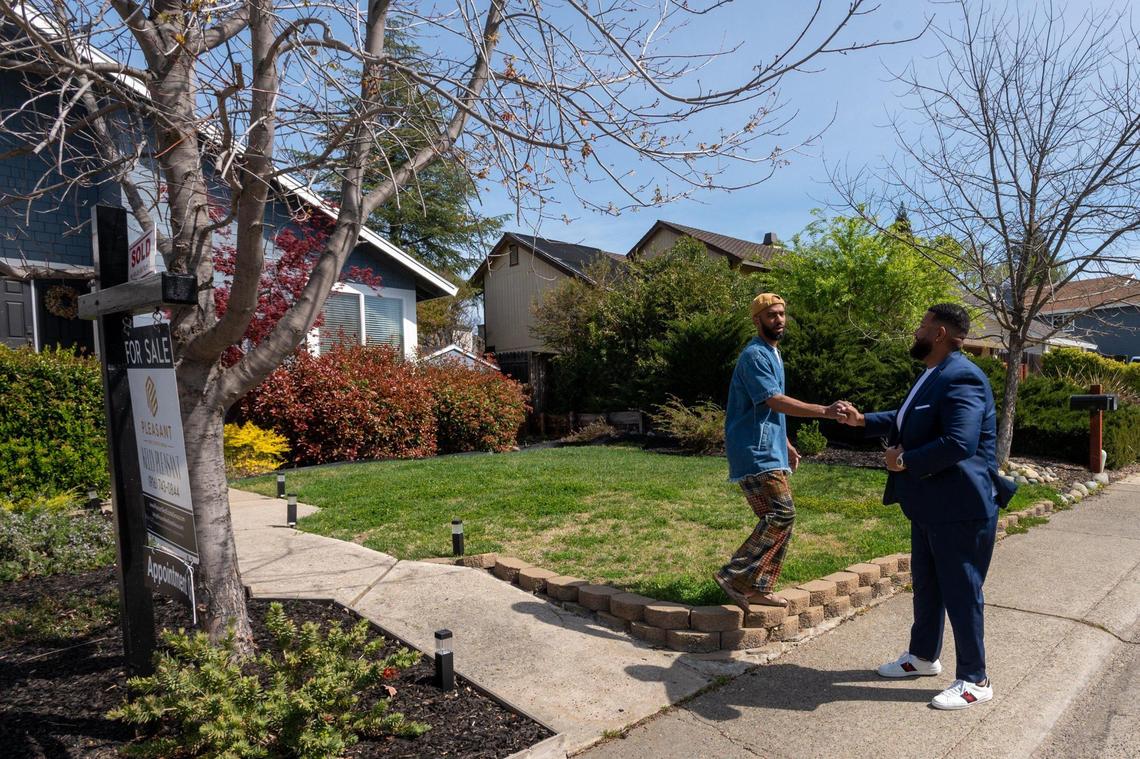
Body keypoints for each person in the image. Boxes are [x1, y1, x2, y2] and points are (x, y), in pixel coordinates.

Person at [837, 303, 1016, 711]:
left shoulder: (963, 377)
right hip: (931, 505)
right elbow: (907, 419)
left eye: (921, 325)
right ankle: (922, 657)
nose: (915, 331)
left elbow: (959, 443)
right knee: (929, 584)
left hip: (961, 507)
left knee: (962, 591)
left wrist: (903, 461)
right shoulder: (933, 375)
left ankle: (976, 678)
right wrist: (861, 420)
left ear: (938, 333)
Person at [715, 293, 847, 613]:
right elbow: (774, 400)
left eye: (782, 314)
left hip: (769, 447)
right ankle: (733, 576)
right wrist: (825, 411)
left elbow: (772, 410)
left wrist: (786, 443)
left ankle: (760, 587)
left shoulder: (773, 354)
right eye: (772, 315)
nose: (779, 320)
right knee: (782, 514)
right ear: (757, 319)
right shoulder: (755, 356)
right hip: (754, 450)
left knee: (776, 520)